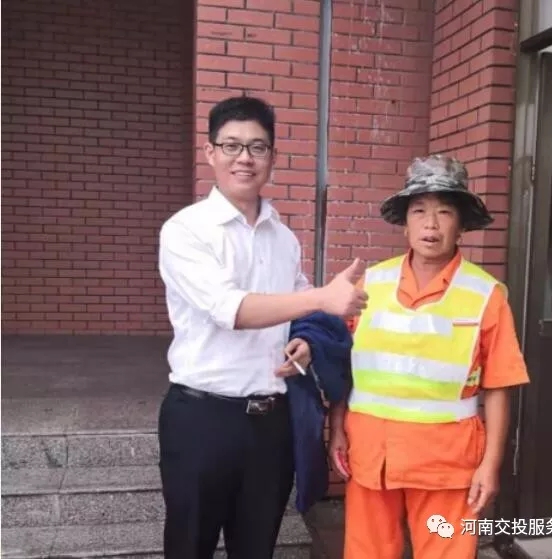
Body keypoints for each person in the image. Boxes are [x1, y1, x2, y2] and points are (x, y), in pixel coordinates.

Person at [156, 95, 367, 559]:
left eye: (257, 147)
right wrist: (322, 298)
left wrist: (305, 342)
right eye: (231, 145)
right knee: (189, 546)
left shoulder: (283, 237)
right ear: (210, 152)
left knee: (257, 548)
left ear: (272, 156)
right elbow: (229, 309)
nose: (244, 158)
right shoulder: (185, 230)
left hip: (271, 423)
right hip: (201, 419)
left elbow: (298, 311)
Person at [328, 154, 531, 559]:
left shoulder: (486, 295)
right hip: (372, 457)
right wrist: (336, 429)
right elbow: (343, 365)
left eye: (445, 212)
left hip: (446, 465)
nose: (431, 225)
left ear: (462, 225)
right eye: (419, 211)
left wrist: (490, 465)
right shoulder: (371, 283)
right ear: (405, 223)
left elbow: (498, 387)